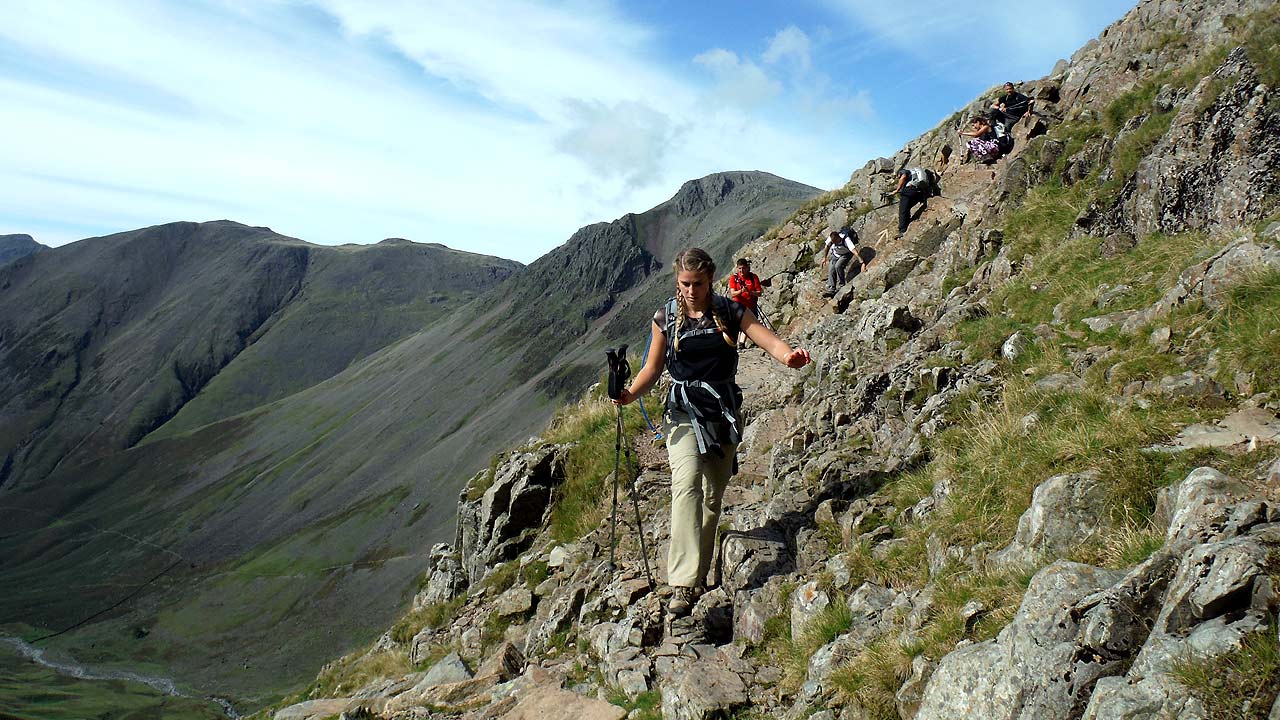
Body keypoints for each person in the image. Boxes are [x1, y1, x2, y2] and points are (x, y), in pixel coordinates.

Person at [614, 248, 811, 616]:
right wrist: (628, 395)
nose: (691, 291)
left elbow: (765, 338)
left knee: (711, 498)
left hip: (722, 412)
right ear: (677, 281)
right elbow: (653, 369)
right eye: (685, 284)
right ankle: (683, 583)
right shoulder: (665, 317)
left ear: (710, 279)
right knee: (686, 482)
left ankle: (699, 573)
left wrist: (788, 356)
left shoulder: (731, 311)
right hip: (682, 410)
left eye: (698, 284)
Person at [891, 166, 940, 239]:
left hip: (909, 191)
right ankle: (907, 223)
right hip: (919, 193)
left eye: (898, 176)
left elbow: (903, 176)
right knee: (907, 208)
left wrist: (897, 190)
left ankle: (902, 231)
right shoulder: (917, 173)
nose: (898, 178)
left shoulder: (904, 171)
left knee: (902, 210)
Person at [819, 229, 863, 297]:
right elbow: (827, 247)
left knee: (838, 266)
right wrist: (824, 258)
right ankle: (831, 289)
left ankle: (841, 285)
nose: (834, 244)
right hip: (836, 254)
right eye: (833, 242)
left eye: (835, 242)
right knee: (831, 269)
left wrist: (862, 262)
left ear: (838, 238)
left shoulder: (846, 240)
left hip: (846, 254)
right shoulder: (831, 240)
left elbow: (854, 251)